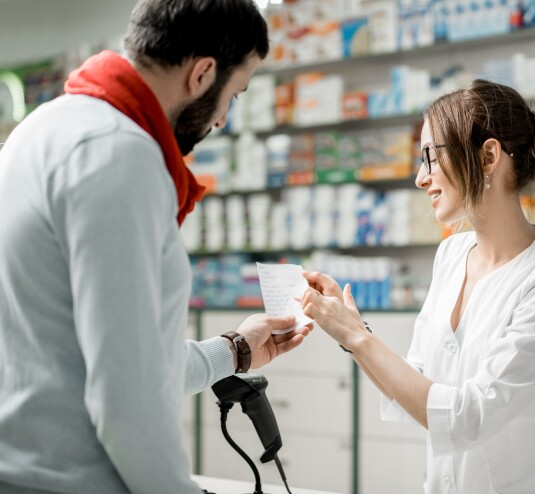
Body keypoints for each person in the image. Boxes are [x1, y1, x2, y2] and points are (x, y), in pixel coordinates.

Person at [0, 1, 311, 493]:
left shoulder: (42, 128)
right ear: (204, 73)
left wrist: (233, 352)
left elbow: (113, 357)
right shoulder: (119, 155)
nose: (223, 119)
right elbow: (128, 400)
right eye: (235, 93)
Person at [300, 79, 535, 494]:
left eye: (430, 158)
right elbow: (417, 380)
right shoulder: (452, 256)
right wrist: (353, 331)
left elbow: (468, 417)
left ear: (488, 156)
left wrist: (356, 338)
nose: (421, 178)